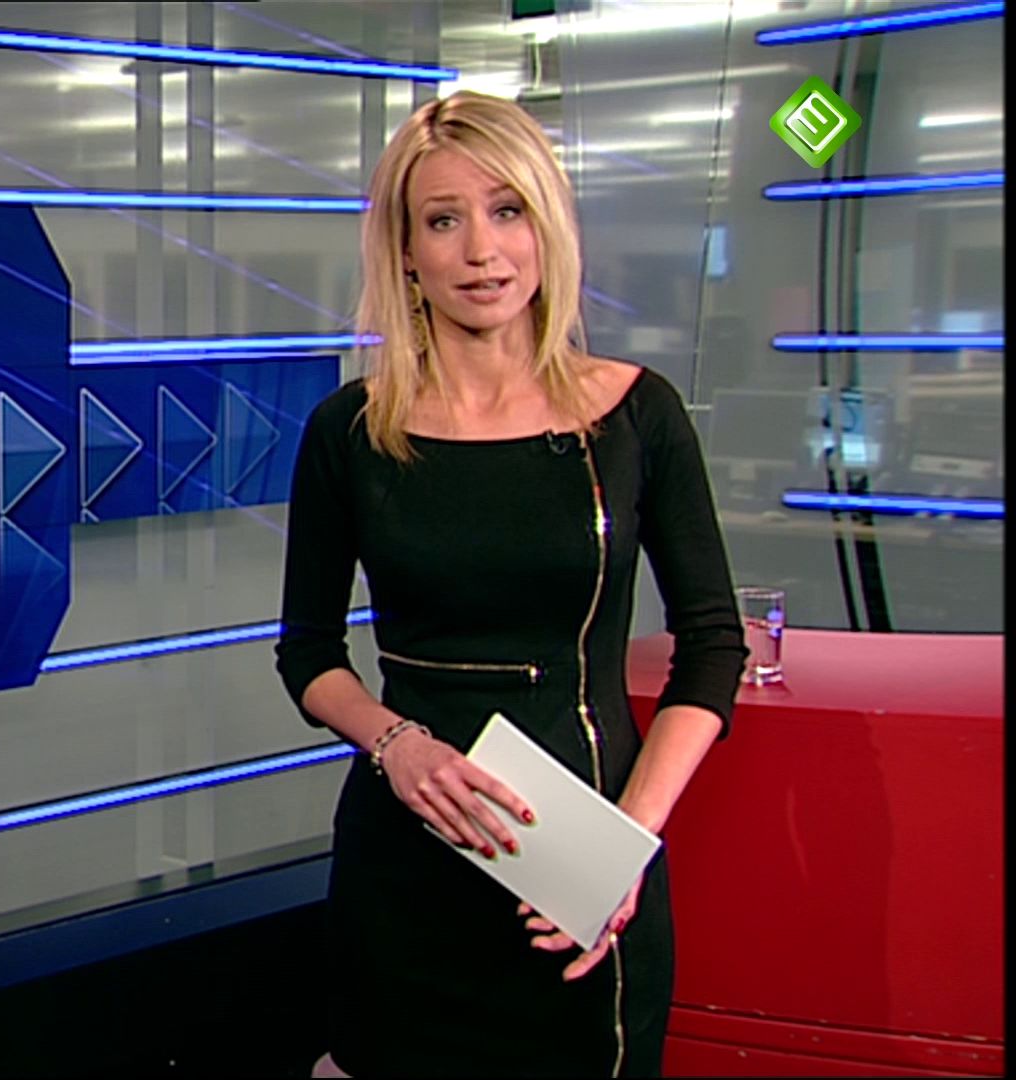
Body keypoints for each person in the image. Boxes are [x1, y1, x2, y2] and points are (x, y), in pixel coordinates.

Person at [274, 91, 748, 1078]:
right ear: (406, 251)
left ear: (548, 226)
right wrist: (397, 747)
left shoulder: (637, 416)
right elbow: (308, 654)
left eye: (507, 210)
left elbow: (713, 647)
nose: (481, 251)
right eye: (444, 220)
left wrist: (620, 846)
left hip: (582, 864)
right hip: (406, 866)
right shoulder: (350, 432)